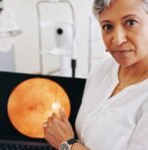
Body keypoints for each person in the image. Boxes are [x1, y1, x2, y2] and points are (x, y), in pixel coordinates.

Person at [43, 0, 148, 149]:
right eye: (107, 26)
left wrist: (67, 144)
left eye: (131, 22)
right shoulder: (102, 69)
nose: (117, 40)